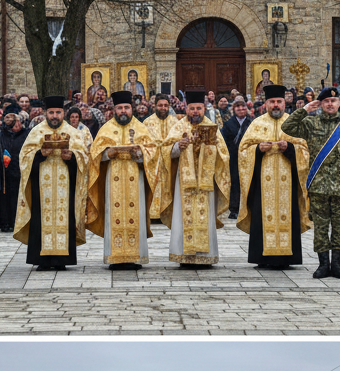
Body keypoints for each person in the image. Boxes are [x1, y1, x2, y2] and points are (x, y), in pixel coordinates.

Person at [281, 87, 340, 279]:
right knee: (321, 227)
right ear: (320, 104)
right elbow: (287, 127)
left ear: (339, 104)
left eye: (333, 101)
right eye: (325, 101)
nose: (330, 104)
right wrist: (305, 110)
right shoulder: (310, 123)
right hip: (318, 185)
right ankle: (323, 264)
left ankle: (337, 264)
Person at [236, 84, 310, 270]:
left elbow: (305, 150)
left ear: (284, 103)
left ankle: (287, 258)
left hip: (288, 180)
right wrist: (258, 150)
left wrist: (291, 149)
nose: (276, 105)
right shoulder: (256, 123)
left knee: (288, 213)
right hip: (263, 182)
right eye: (272, 102)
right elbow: (243, 151)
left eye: (279, 102)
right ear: (265, 104)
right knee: (262, 214)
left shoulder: (293, 123)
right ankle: (262, 256)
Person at [13, 97, 89, 271]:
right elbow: (24, 157)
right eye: (51, 112)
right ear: (46, 113)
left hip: (66, 185)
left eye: (58, 112)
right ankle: (42, 259)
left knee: (66, 217)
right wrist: (40, 154)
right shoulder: (37, 131)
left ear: (64, 113)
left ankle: (63, 259)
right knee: (40, 218)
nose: (54, 116)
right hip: (42, 186)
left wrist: (72, 157)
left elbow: (85, 158)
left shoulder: (73, 132)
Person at [156, 91, 231, 267]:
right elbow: (165, 151)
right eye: (192, 108)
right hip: (183, 182)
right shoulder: (178, 126)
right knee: (183, 215)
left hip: (206, 182)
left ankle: (207, 256)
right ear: (186, 108)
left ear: (204, 108)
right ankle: (183, 255)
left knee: (205, 215)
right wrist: (177, 146)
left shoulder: (212, 127)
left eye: (199, 108)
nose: (195, 112)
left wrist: (210, 146)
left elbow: (224, 155)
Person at [86, 91, 159, 269]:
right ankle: (115, 257)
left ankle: (136, 256)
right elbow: (94, 155)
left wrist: (140, 153)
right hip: (113, 180)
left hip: (137, 180)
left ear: (131, 109)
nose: (123, 111)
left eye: (126, 107)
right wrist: (107, 153)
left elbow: (153, 152)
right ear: (114, 109)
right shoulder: (106, 129)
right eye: (120, 108)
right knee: (113, 214)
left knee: (137, 213)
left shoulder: (141, 129)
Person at [220, 97, 253, 220]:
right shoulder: (228, 124)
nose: (241, 109)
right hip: (233, 157)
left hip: (248, 157)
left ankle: (248, 207)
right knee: (234, 182)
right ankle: (234, 209)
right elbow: (224, 140)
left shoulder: (251, 123)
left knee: (248, 182)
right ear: (234, 109)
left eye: (243, 106)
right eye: (238, 107)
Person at [143, 94, 174, 220]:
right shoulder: (147, 122)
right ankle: (153, 215)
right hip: (153, 162)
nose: (163, 108)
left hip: (170, 161)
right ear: (155, 106)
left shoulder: (175, 122)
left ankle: (168, 213)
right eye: (160, 105)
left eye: (166, 105)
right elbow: (143, 142)